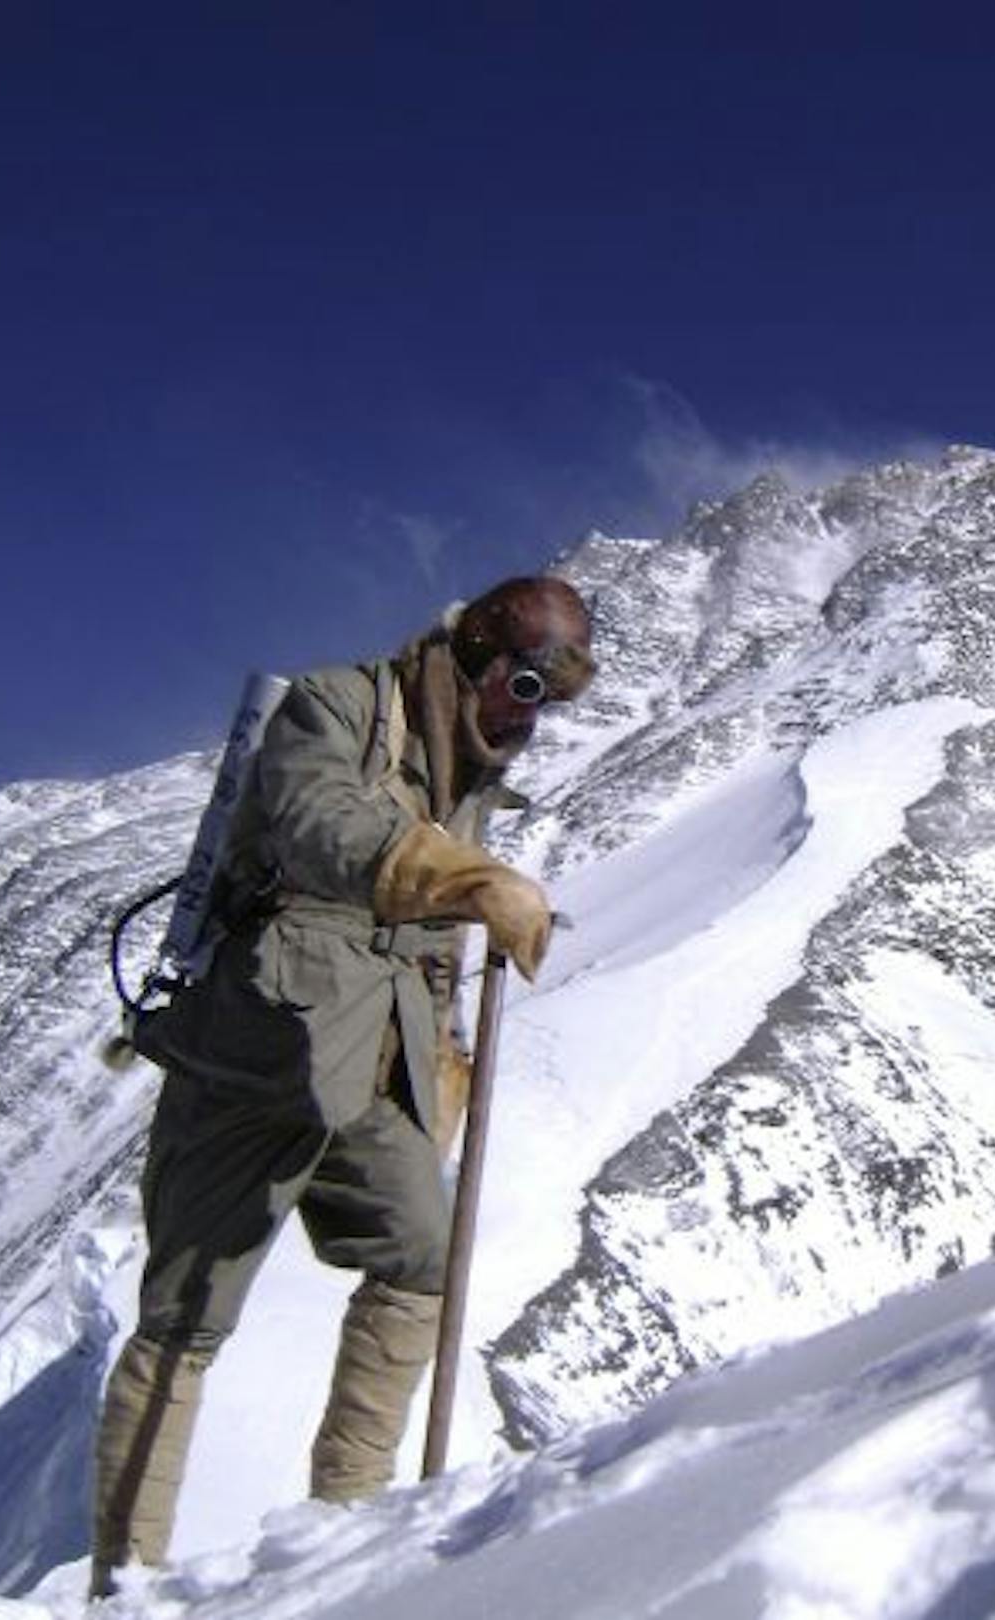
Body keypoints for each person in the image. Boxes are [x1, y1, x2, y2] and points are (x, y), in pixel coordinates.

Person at [90, 576, 596, 1594]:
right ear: (476, 654)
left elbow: (429, 952)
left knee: (422, 1259)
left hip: (379, 1061)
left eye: (548, 699)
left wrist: (444, 1067)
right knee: (187, 1313)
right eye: (525, 684)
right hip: (263, 1042)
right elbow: (318, 827)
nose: (526, 717)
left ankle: (346, 1544)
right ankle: (123, 1582)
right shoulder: (336, 706)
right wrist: (461, 877)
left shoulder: (468, 782)